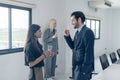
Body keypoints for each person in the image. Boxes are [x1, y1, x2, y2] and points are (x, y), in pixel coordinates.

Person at [64, 11, 95, 80]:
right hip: (77, 65)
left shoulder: (88, 32)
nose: (72, 23)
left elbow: (89, 52)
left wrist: (84, 69)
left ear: (79, 19)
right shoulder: (78, 32)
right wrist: (67, 36)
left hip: (83, 67)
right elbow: (73, 47)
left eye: (73, 20)